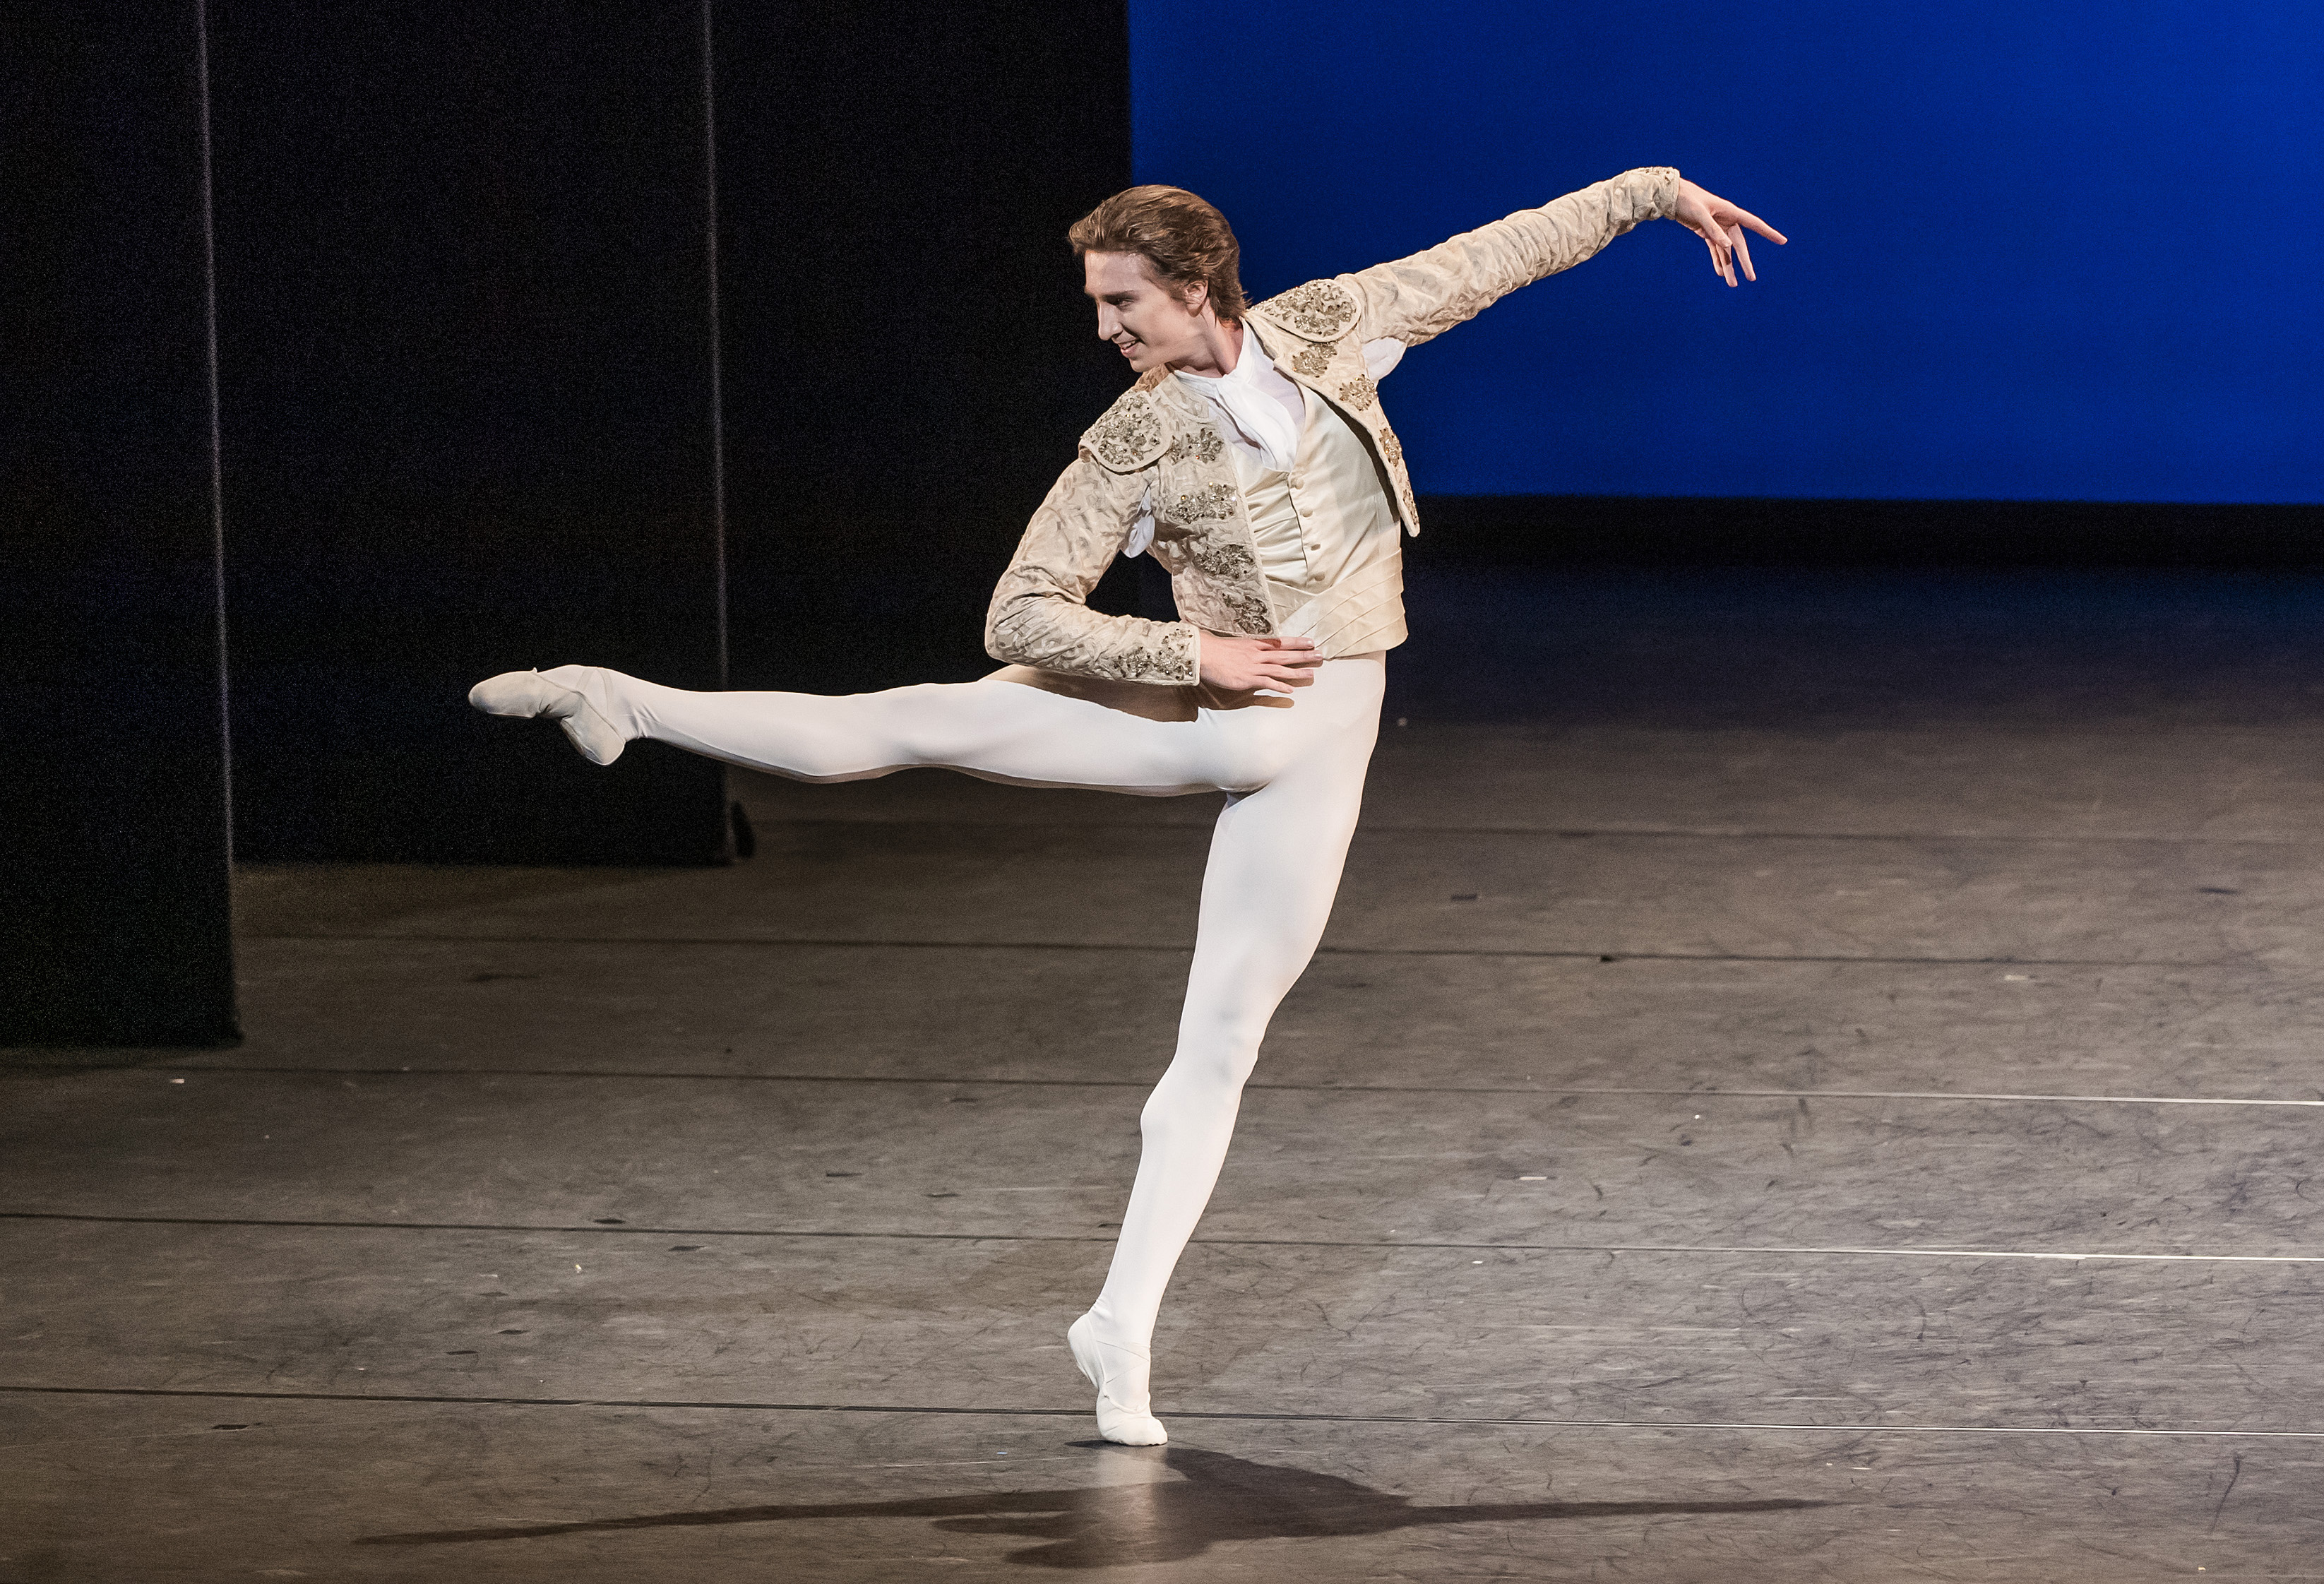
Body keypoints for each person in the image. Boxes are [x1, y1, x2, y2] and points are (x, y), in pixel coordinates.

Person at [470, 166, 1783, 1444]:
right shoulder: (1135, 437)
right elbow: (1021, 611)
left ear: (1199, 286)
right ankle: (621, 699)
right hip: (1204, 723)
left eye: (1125, 306)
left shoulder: (1333, 323)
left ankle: (1121, 1328)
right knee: (920, 716)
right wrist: (1188, 655)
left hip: (1328, 742)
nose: (1106, 333)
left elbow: (1505, 251)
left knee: (1218, 1047)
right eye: (1099, 308)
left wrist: (1659, 192)